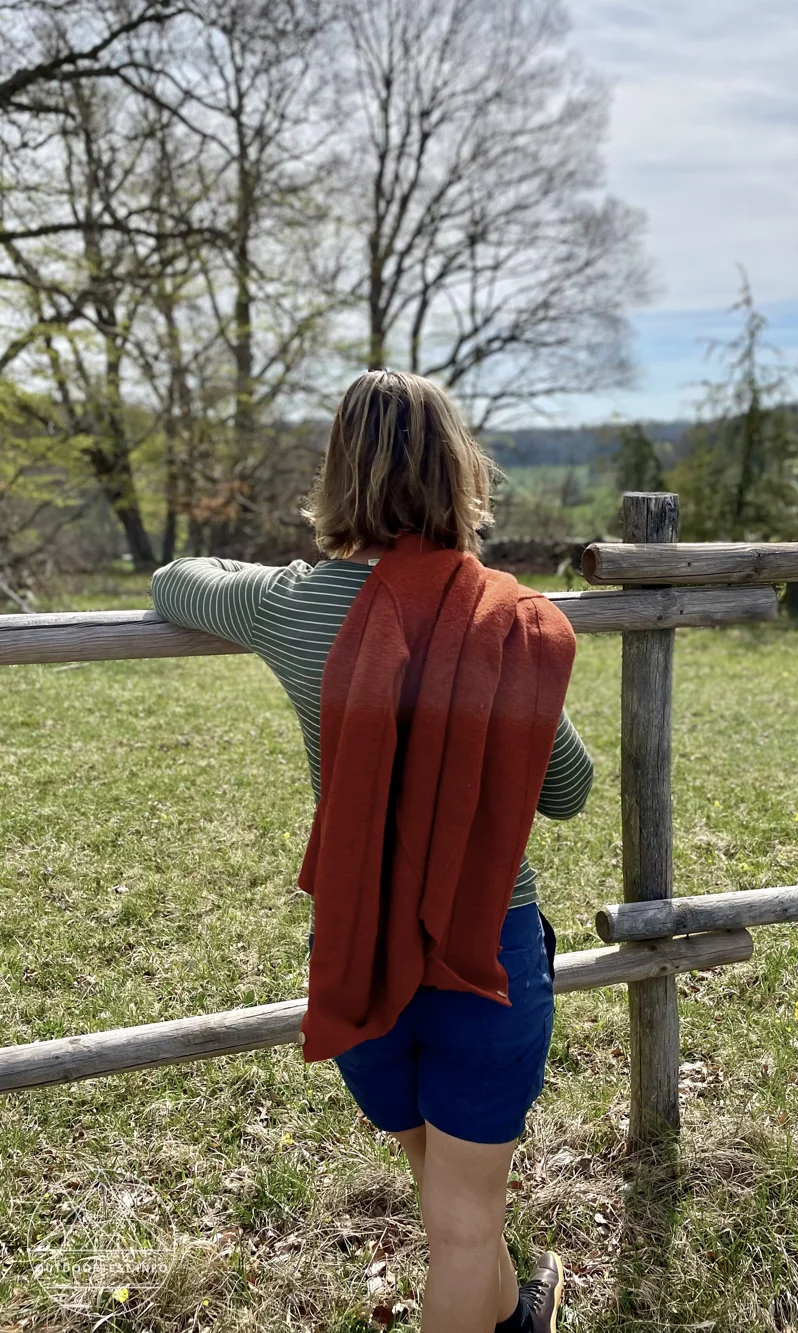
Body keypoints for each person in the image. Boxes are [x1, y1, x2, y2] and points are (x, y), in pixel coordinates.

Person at [151, 370, 594, 1333]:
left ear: (339, 475)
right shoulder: (507, 622)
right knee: (466, 1221)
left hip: (360, 950)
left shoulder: (291, 607)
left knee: (447, 1196)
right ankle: (502, 1306)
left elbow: (173, 579)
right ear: (461, 472)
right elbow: (569, 792)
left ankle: (515, 1314)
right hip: (488, 952)